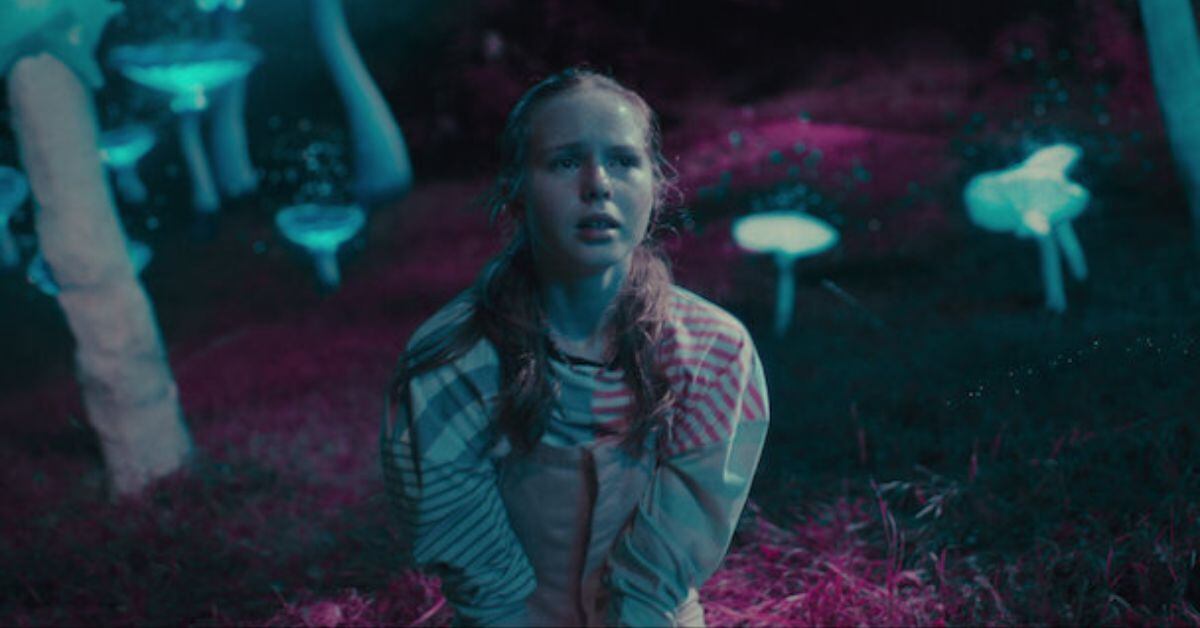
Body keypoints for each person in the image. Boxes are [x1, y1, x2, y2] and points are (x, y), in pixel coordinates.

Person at [381, 67, 769, 627]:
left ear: (656, 185)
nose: (598, 184)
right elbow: (480, 575)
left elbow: (667, 566)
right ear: (515, 188)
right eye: (565, 162)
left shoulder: (713, 353)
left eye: (623, 160)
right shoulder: (452, 362)